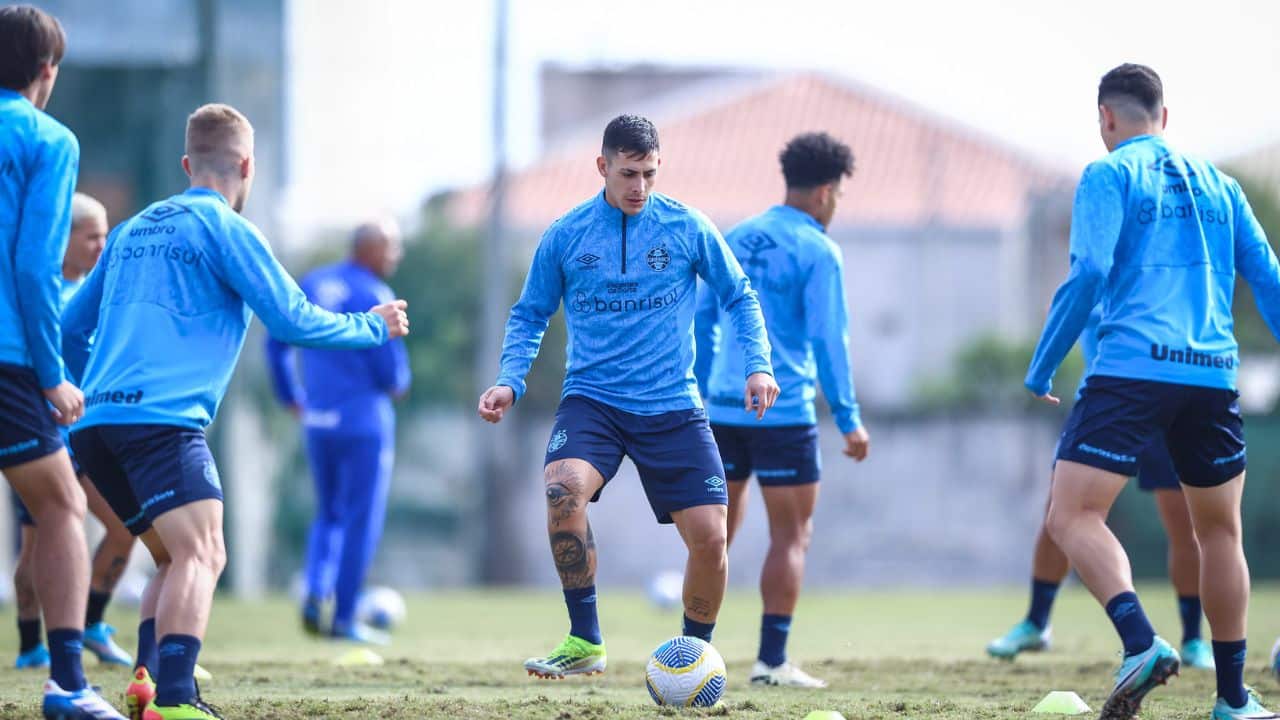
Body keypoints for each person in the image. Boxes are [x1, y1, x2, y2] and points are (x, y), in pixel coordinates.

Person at [63, 103, 410, 720]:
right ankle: (175, 701)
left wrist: (92, 384)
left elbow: (69, 326)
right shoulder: (226, 228)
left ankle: (147, 682)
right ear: (247, 165)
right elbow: (292, 319)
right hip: (161, 425)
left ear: (186, 162)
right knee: (205, 554)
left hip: (94, 428)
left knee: (174, 557)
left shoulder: (132, 229)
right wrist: (372, 327)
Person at [478, 114, 779, 679]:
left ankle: (693, 657)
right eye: (628, 174)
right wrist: (510, 380)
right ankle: (585, 642)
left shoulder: (686, 227)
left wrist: (758, 367)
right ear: (603, 167)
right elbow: (530, 314)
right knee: (562, 494)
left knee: (713, 539)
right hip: (593, 401)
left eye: (649, 174)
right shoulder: (566, 234)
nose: (639, 187)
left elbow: (740, 296)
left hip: (672, 405)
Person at [1025, 63, 1279, 720]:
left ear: (1106, 118)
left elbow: (1090, 274)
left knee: (1071, 515)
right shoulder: (1221, 186)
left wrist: (1045, 361)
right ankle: (1232, 700)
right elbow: (1271, 280)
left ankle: (1139, 641)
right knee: (1219, 534)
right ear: (1164, 117)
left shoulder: (1108, 174)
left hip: (1132, 368)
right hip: (1213, 375)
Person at [694, 131, 869, 688]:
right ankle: (770, 662)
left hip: (721, 408)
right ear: (823, 192)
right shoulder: (819, 249)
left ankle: (690, 651)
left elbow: (702, 318)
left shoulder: (736, 236)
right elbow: (828, 340)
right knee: (790, 536)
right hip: (784, 411)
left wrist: (697, 393)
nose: (836, 204)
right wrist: (848, 418)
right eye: (838, 194)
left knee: (713, 536)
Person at [0, 6, 125, 718]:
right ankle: (68, 683)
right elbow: (31, 266)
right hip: (10, 358)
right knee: (62, 507)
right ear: (47, 72)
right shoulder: (47, 137)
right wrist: (52, 373)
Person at [989, 307, 1214, 670]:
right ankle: (1037, 622)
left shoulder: (1159, 272)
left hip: (1168, 398)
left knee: (1184, 526)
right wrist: (1042, 370)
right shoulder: (1097, 261)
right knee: (1059, 516)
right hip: (1106, 404)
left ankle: (1192, 640)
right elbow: (1075, 297)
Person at [265, 218, 410, 643]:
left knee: (328, 512)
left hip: (318, 421)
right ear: (369, 250)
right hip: (364, 423)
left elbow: (275, 344)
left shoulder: (311, 282)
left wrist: (290, 394)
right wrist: (398, 383)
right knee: (360, 520)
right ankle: (345, 618)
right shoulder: (376, 295)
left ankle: (314, 589)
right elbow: (393, 377)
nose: (396, 256)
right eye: (392, 248)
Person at [13, 192, 137, 671]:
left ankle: (87, 624)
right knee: (41, 541)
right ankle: (33, 645)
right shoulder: (41, 294)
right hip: (48, 439)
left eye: (107, 235)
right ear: (62, 240)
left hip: (89, 437)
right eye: (92, 236)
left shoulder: (95, 295)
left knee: (119, 529)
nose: (102, 246)